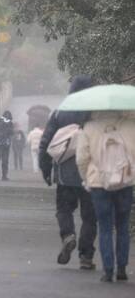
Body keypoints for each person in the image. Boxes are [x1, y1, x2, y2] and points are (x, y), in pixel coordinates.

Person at [39, 75, 97, 270]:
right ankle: (86, 256)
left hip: (65, 174)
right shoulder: (95, 113)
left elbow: (45, 143)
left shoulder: (59, 114)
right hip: (91, 173)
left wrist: (46, 170)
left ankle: (68, 235)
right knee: (90, 216)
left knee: (64, 210)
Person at [77, 110, 135, 282]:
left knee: (104, 226)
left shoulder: (88, 127)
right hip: (125, 181)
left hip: (98, 182)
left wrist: (86, 178)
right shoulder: (131, 125)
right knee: (123, 225)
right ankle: (122, 268)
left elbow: (81, 159)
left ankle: (108, 270)